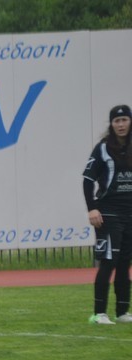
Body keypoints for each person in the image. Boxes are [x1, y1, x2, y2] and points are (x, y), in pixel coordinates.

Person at [84, 104, 132, 324]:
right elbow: (87, 180)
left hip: (129, 213)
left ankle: (122, 312)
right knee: (109, 261)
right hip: (108, 213)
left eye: (124, 120)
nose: (121, 125)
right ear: (111, 124)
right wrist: (92, 208)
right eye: (116, 121)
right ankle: (99, 313)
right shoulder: (102, 148)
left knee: (124, 262)